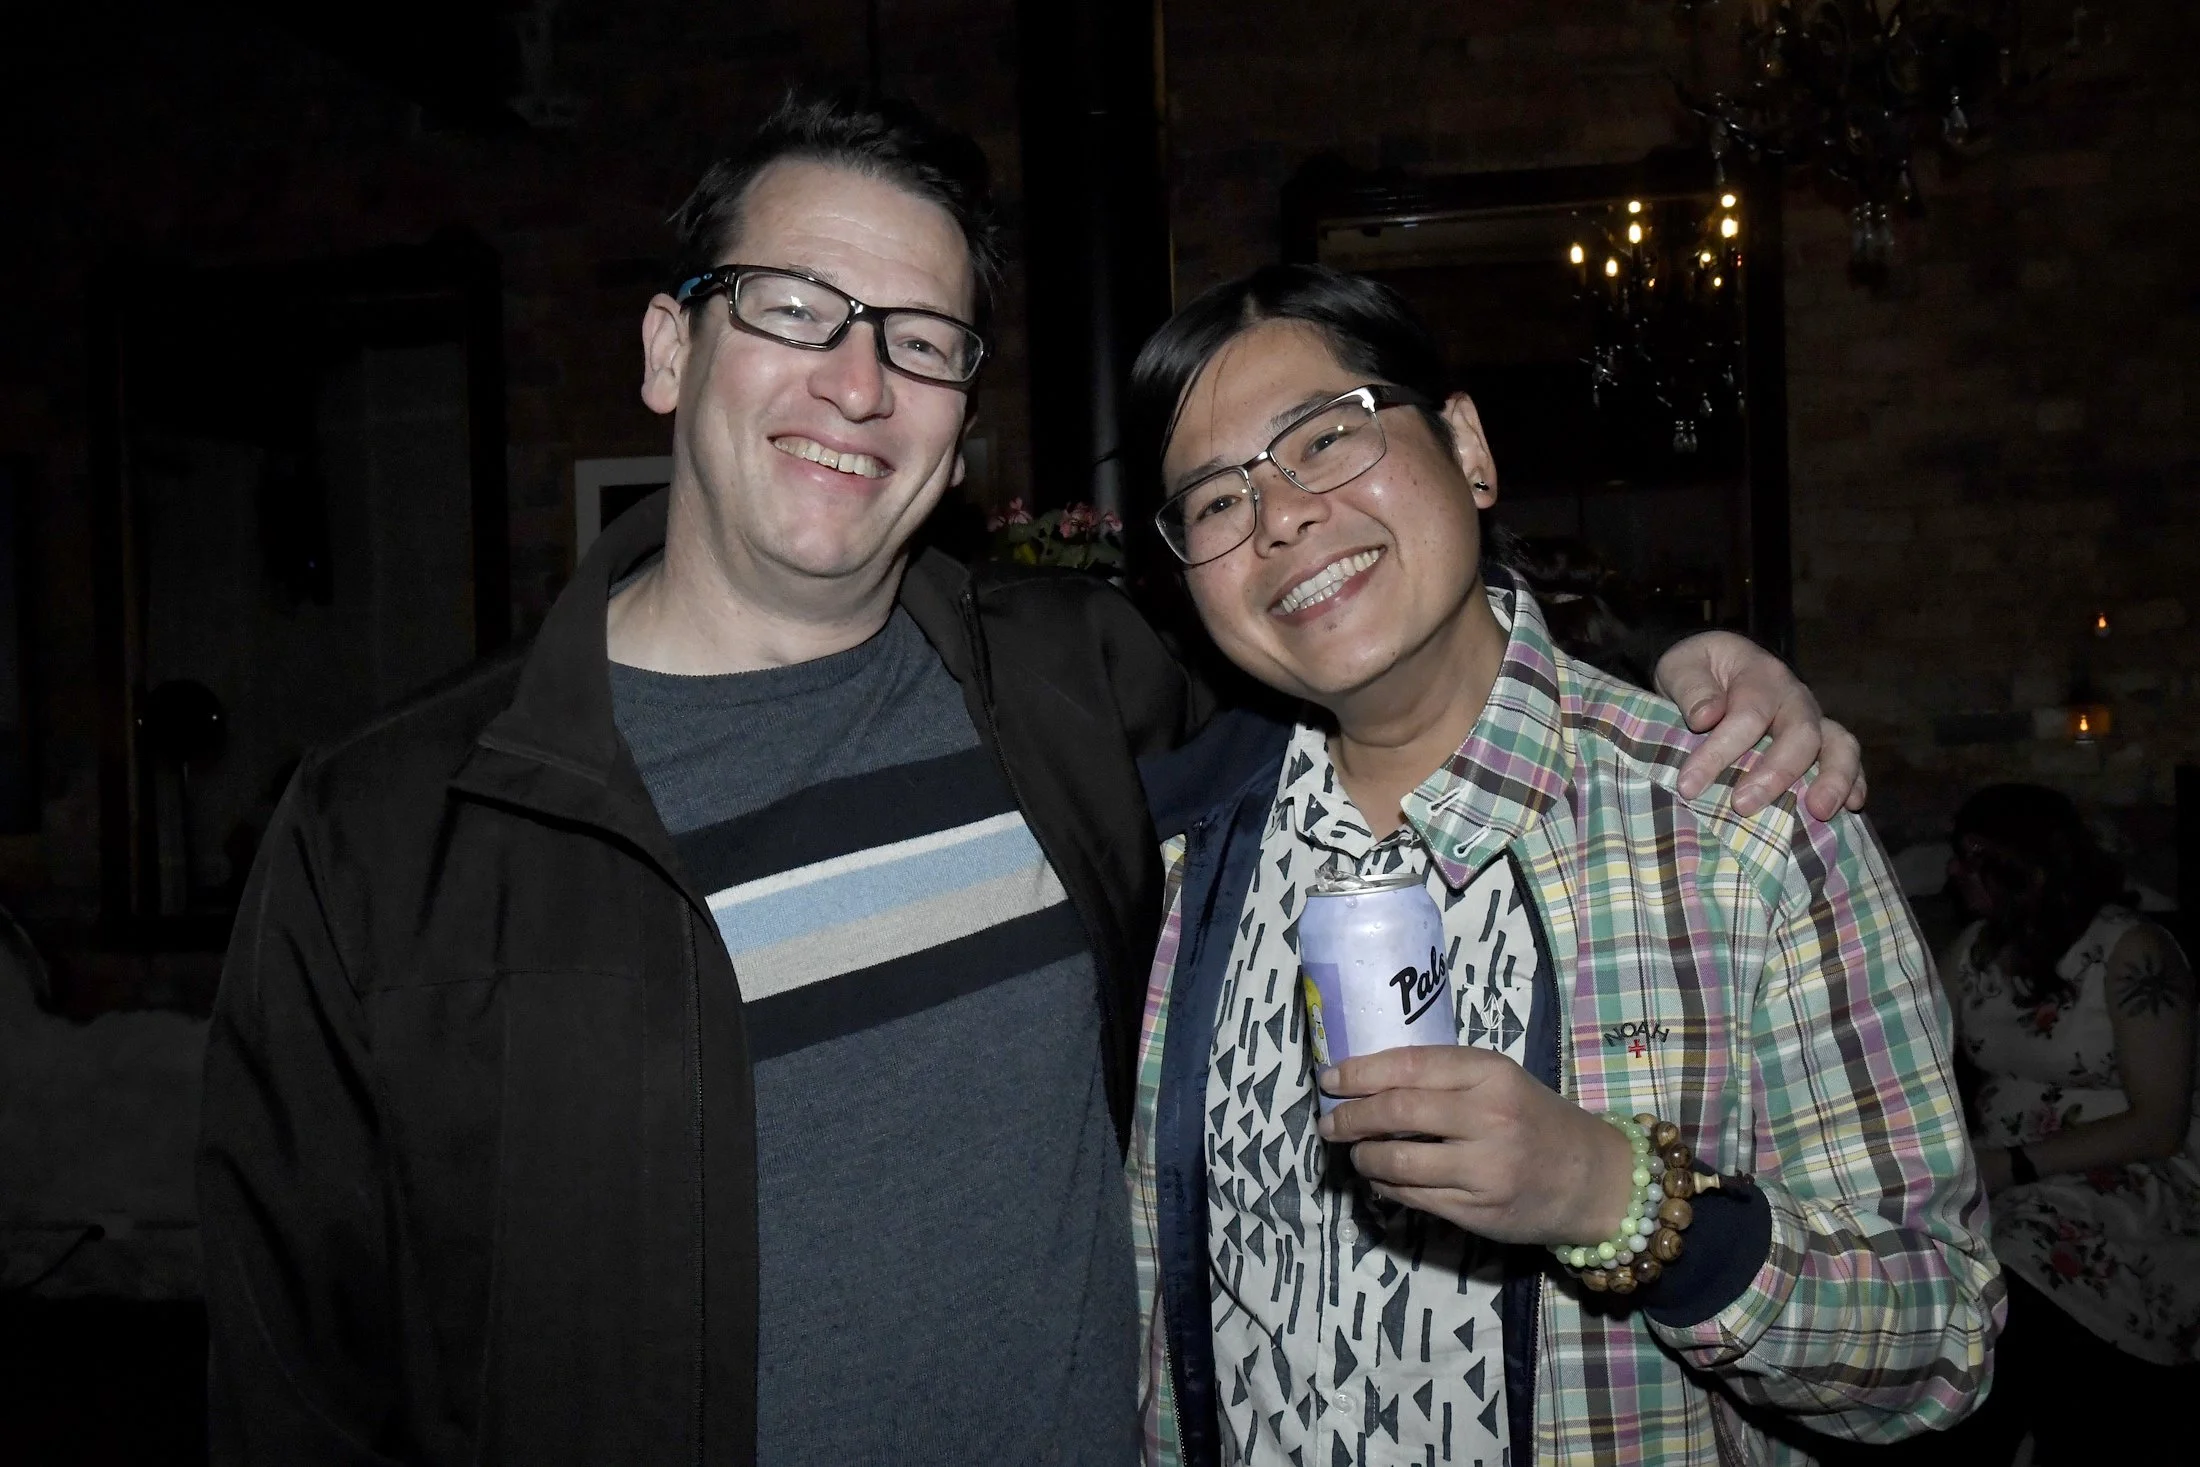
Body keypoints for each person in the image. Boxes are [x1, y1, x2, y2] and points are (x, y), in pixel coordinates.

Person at [197, 96, 1862, 1465]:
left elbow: (1366, 626)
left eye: (919, 341)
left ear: (962, 419)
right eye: (791, 307)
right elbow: (296, 1372)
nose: (857, 382)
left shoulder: (1074, 692)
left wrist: (1672, 657)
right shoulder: (392, 830)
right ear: (665, 348)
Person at [1122, 264, 1999, 1466]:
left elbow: (1941, 1345)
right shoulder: (1169, 866)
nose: (1277, 517)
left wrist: (1617, 1202)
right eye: (1215, 503)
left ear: (1468, 447)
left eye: (1326, 437)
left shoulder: (1736, 824)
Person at [1928, 783, 2197, 1461]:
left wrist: (2013, 1164)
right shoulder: (1974, 953)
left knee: (2019, 1247)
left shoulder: (2132, 951)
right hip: (2006, 1164)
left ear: (2028, 862)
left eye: (1974, 855)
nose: (1955, 872)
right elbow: (1914, 1060)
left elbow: (2160, 1123)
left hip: (2128, 1168)